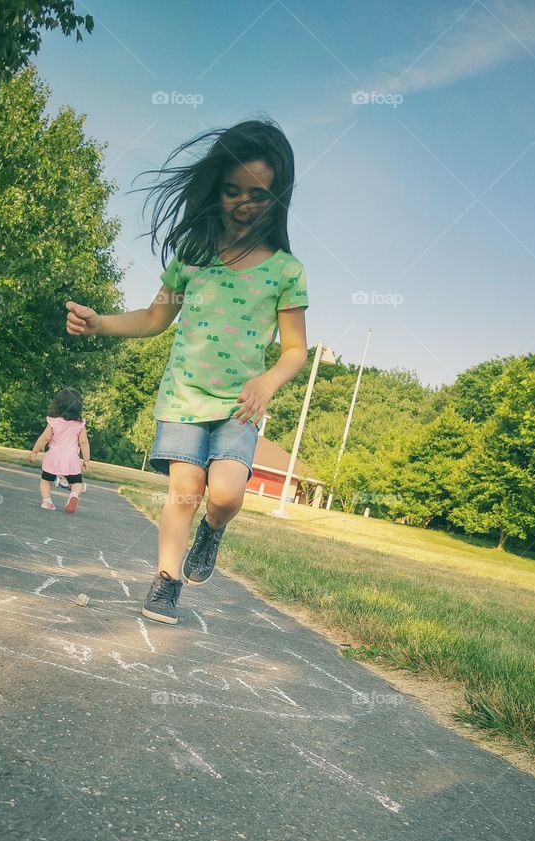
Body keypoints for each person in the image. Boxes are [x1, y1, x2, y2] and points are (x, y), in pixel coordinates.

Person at [65, 119, 309, 622]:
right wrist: (100, 323)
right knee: (184, 490)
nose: (243, 204)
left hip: (239, 406)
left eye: (258, 195)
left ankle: (213, 530)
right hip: (182, 397)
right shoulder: (194, 256)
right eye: (232, 191)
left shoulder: (286, 271)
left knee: (222, 494)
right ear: (216, 188)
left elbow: (295, 350)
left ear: (278, 197)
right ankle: (166, 581)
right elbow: (156, 318)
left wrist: (267, 381)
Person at [28, 388, 90, 513]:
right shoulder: (79, 425)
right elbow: (83, 442)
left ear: (58, 405)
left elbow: (45, 438)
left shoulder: (53, 422)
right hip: (71, 459)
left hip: (53, 458)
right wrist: (86, 460)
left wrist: (34, 451)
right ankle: (74, 495)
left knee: (46, 481)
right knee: (76, 482)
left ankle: (47, 502)